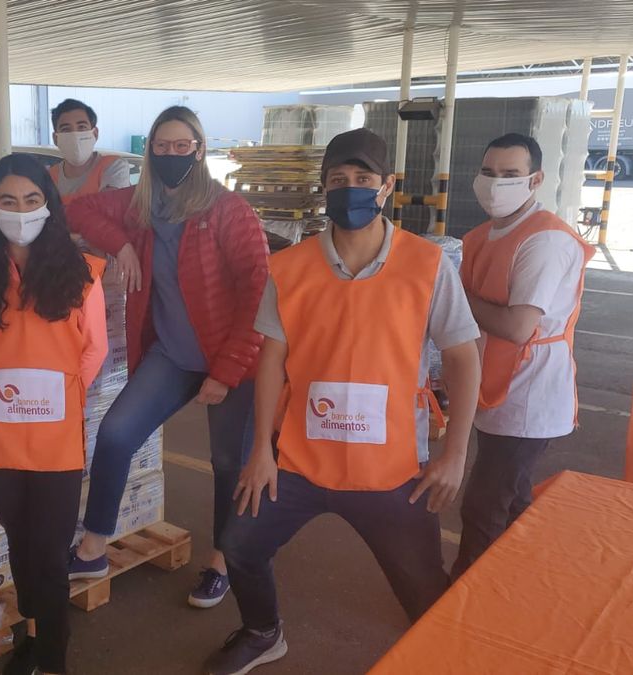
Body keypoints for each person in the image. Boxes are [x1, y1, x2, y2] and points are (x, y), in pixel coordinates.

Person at [205, 129, 482, 675]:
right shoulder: (289, 269)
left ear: (387, 187)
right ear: (323, 187)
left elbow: (464, 358)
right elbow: (271, 362)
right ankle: (264, 633)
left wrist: (454, 452)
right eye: (338, 180)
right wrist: (261, 448)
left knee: (424, 589)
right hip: (300, 465)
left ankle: (444, 651)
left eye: (363, 180)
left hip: (392, 472)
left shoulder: (427, 266)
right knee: (239, 545)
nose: (350, 189)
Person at [66, 106, 268, 609]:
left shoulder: (228, 211)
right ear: (150, 150)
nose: (172, 154)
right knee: (115, 435)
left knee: (228, 463)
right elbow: (77, 210)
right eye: (163, 145)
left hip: (233, 360)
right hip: (174, 356)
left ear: (199, 150)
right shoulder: (140, 205)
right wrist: (122, 246)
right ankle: (92, 548)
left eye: (183, 146)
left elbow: (259, 294)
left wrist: (225, 372)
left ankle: (225, 560)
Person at [0, 153, 108, 675]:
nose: (20, 210)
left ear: (49, 205)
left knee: (48, 550)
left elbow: (94, 351)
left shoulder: (82, 272)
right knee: (19, 539)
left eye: (31, 200)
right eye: (7, 201)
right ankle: (33, 633)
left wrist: (55, 396)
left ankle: (53, 657)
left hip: (55, 438)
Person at [450, 133, 595, 579]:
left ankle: (466, 592)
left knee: (485, 503)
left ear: (535, 179)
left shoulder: (545, 241)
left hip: (528, 393)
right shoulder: (481, 236)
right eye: (489, 173)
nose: (496, 184)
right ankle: (515, 581)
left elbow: (517, 327)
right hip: (495, 385)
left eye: (510, 175)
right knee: (510, 498)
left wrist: (451, 295)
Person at [48, 98, 132, 204]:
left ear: (95, 133)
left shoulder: (113, 166)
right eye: (66, 129)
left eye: (82, 127)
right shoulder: (50, 177)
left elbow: (110, 209)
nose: (75, 134)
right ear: (56, 138)